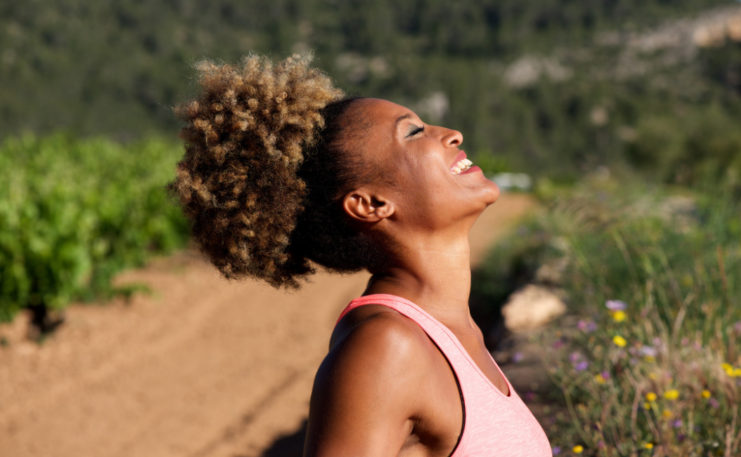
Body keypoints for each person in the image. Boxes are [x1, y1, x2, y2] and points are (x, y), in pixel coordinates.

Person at [170, 54, 551, 457]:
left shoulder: (454, 330)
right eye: (414, 133)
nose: (452, 134)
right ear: (370, 204)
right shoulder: (387, 348)